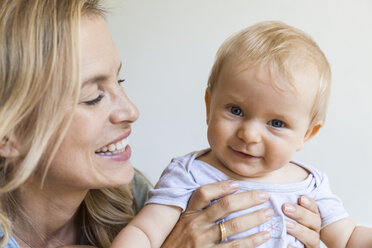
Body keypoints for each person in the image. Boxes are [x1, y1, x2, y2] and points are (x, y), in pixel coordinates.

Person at [0, 1, 322, 248]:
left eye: (119, 79)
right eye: (93, 96)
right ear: (9, 133)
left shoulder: (136, 197)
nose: (131, 110)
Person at [112, 21, 372, 248]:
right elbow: (144, 232)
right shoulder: (189, 174)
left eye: (276, 123)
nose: (249, 134)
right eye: (236, 110)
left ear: (307, 134)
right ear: (209, 105)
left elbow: (348, 239)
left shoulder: (310, 186)